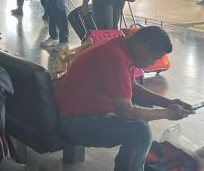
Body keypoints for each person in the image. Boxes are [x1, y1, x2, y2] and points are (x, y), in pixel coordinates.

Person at [56, 26, 193, 171]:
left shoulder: (120, 47)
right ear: (143, 48)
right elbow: (126, 111)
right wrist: (169, 113)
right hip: (73, 122)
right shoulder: (115, 58)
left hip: (77, 111)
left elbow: (133, 87)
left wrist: (168, 103)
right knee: (140, 132)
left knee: (144, 106)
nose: (152, 64)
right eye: (154, 58)